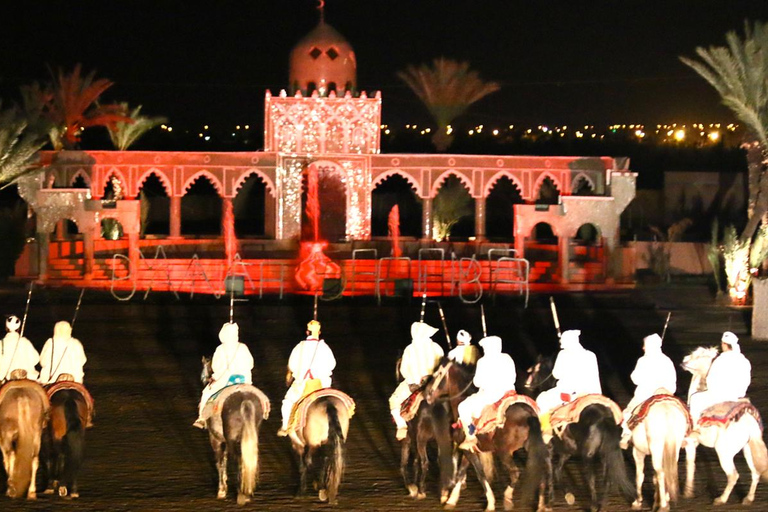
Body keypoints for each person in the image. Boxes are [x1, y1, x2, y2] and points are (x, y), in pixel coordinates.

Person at [457, 335, 517, 450]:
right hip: (509, 392)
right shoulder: (507, 357)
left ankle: (470, 437)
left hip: (491, 394)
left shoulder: (483, 361)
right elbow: (513, 377)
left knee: (463, 407)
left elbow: (477, 382)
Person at [278, 319, 336, 436]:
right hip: (322, 384)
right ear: (319, 332)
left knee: (287, 402)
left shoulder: (300, 347)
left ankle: (285, 427)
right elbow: (332, 364)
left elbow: (292, 365)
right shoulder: (325, 347)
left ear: (307, 332)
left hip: (302, 384)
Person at [619, 333, 677, 448]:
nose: (643, 347)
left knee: (628, 412)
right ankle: (684, 435)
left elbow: (635, 379)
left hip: (645, 395)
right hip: (665, 394)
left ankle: (626, 434)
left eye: (644, 345)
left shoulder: (643, 360)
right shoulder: (667, 360)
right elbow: (673, 380)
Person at [389, 321, 444, 441]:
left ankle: (401, 425)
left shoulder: (410, 349)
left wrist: (413, 380)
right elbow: (441, 367)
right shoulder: (437, 347)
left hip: (415, 383)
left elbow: (403, 370)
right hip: (434, 383)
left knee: (393, 400)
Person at [193, 322, 254, 429]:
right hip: (245, 380)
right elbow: (251, 364)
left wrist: (215, 376)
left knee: (206, 393)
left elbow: (215, 367)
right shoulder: (243, 347)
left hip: (226, 380)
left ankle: (202, 418)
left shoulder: (220, 349)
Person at [535, 330, 601, 426]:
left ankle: (546, 430)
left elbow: (556, 374)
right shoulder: (591, 355)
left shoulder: (563, 354)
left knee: (541, 399)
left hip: (568, 394)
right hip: (592, 393)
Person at [689, 331, 751, 424]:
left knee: (695, 398)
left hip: (719, 396)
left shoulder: (720, 360)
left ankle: (695, 426)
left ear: (724, 345)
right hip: (738, 396)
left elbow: (710, 380)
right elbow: (747, 381)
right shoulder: (744, 361)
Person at [39, 320, 87, 385]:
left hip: (50, 381)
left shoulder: (50, 342)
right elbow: (83, 360)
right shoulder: (76, 343)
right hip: (75, 380)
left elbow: (43, 362)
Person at [0, 315, 40, 382]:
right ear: (18, 328)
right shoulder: (25, 341)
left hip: (8, 379)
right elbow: (36, 359)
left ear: (6, 327)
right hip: (28, 378)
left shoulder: (1, 343)